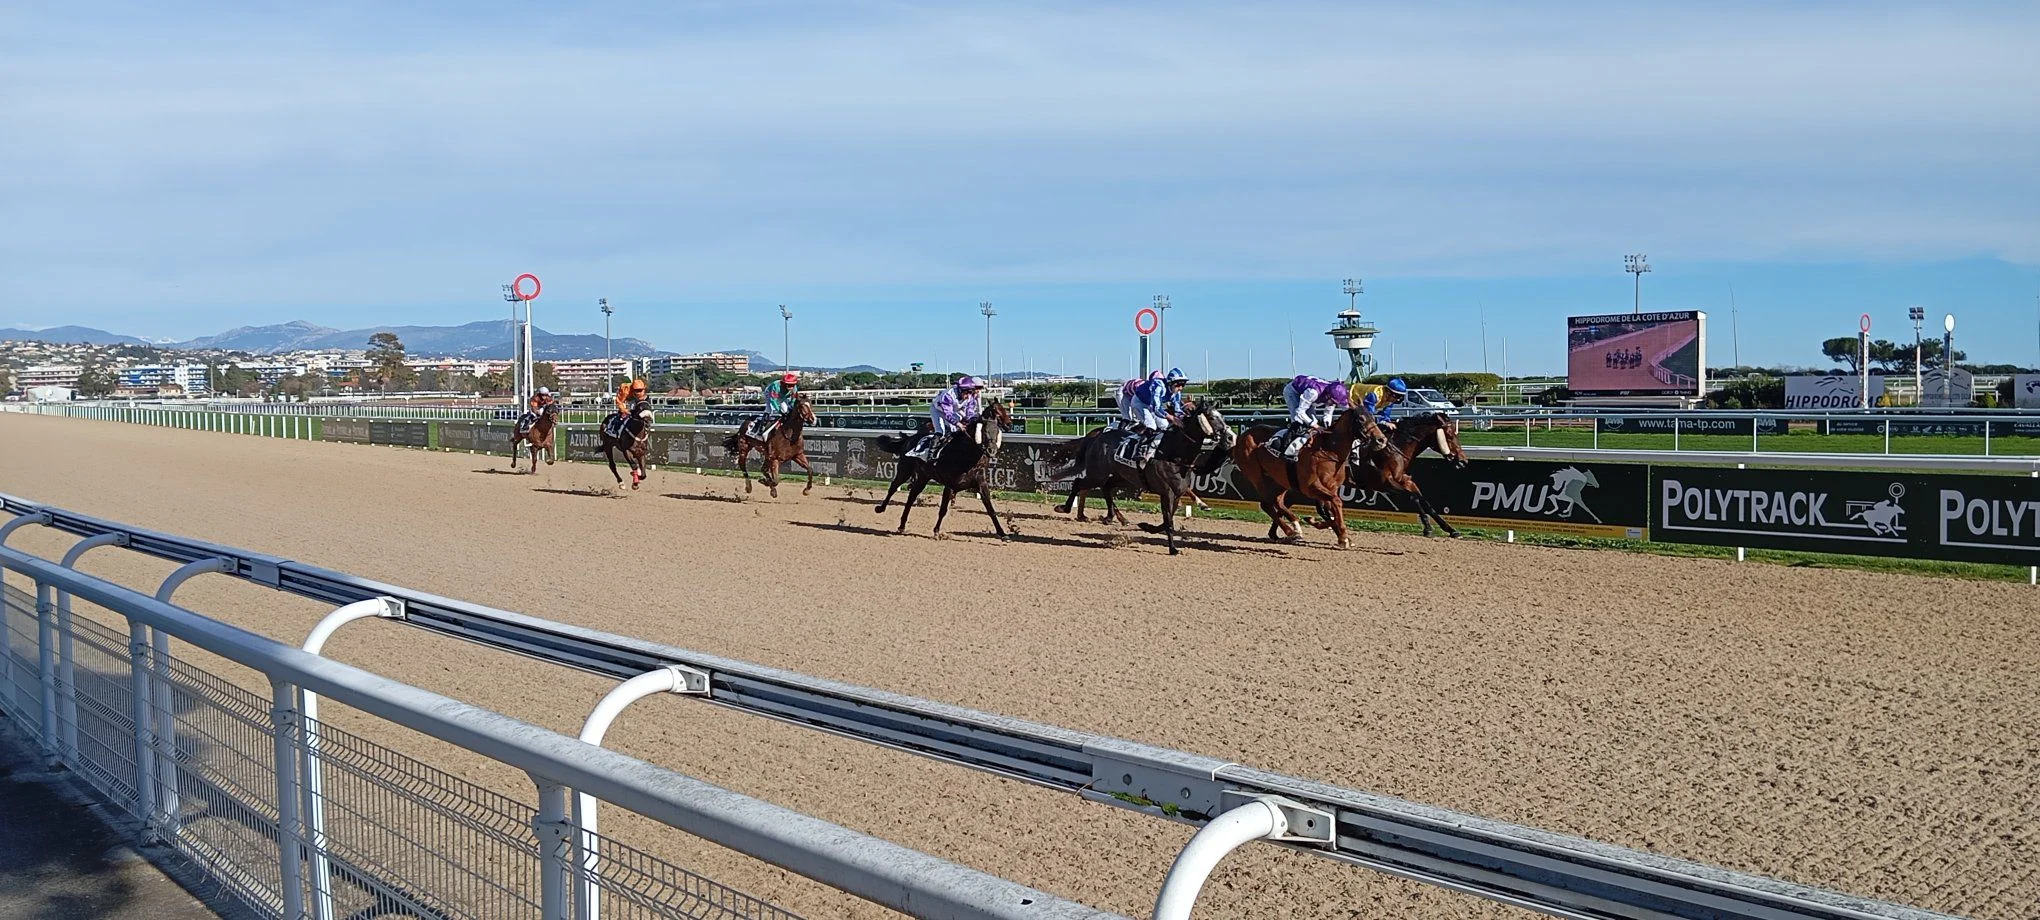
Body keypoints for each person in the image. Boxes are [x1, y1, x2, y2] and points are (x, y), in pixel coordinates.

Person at [1275, 374, 1348, 459]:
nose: (1334, 404)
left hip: (1307, 394)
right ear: (1328, 396)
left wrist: (1327, 427)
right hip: (1293, 392)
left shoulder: (1332, 394)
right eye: (1333, 402)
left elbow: (1328, 413)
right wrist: (1316, 426)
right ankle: (1284, 448)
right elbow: (1300, 412)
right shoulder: (1313, 393)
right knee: (1299, 421)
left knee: (1313, 420)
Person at [913, 376, 985, 459]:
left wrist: (974, 420)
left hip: (953, 410)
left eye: (971, 392)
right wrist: (958, 424)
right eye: (967, 392)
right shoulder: (948, 395)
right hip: (938, 410)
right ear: (961, 390)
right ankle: (930, 456)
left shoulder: (971, 396)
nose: (968, 396)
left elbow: (969, 413)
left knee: (955, 430)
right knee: (940, 431)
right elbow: (948, 414)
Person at [1359, 377, 1407, 448]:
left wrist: (1387, 422)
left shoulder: (1391, 399)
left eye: (1400, 396)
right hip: (1351, 400)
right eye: (1397, 396)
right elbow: (1368, 417)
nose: (1398, 399)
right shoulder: (1373, 395)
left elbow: (1385, 415)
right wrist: (1384, 422)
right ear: (1388, 393)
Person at [751, 372, 801, 439]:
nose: (791, 388)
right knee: (769, 409)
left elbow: (793, 400)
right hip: (770, 393)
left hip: (782, 396)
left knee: (786, 410)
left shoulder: (794, 388)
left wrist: (791, 407)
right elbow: (773, 401)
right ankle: (760, 428)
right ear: (784, 384)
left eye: (792, 385)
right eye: (788, 385)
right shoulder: (776, 386)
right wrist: (779, 411)